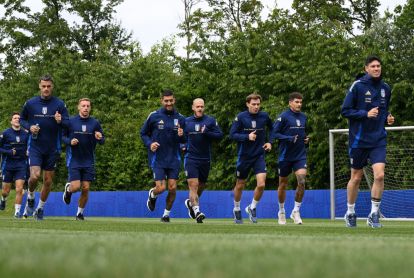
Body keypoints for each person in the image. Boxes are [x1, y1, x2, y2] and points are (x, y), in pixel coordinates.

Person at [341, 55, 394, 228]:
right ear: (366, 69)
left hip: (378, 139)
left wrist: (388, 118)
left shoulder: (386, 87)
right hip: (359, 140)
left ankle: (374, 214)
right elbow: (345, 111)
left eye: (379, 65)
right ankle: (350, 212)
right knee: (355, 178)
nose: (377, 68)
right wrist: (365, 114)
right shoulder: (358, 86)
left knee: (379, 175)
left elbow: (384, 111)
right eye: (373, 66)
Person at [20, 75, 69, 220]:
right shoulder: (30, 103)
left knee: (47, 181)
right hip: (35, 146)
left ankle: (40, 208)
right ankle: (30, 196)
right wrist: (30, 127)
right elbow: (22, 119)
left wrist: (60, 121)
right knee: (34, 176)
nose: (46, 89)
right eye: (44, 86)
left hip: (53, 148)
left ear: (52, 87)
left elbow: (68, 123)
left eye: (49, 86)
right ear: (39, 86)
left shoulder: (59, 104)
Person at [140, 90, 186, 222]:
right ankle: (153, 194)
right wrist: (150, 144)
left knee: (172, 188)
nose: (169, 103)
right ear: (162, 101)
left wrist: (182, 136)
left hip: (174, 159)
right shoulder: (154, 116)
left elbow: (184, 141)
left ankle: (166, 215)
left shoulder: (181, 118)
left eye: (171, 100)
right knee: (161, 188)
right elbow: (143, 134)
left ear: (174, 100)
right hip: (158, 158)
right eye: (166, 101)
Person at [229, 93, 273, 224]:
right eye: (253, 104)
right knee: (240, 185)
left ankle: (252, 207)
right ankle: (236, 209)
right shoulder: (241, 117)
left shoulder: (264, 116)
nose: (256, 107)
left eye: (258, 104)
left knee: (261, 184)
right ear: (247, 104)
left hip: (259, 155)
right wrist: (246, 137)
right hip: (244, 156)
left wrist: (270, 141)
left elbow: (273, 128)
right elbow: (232, 134)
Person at [62, 98, 105, 220]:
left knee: (86, 188)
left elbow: (102, 140)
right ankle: (68, 190)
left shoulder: (95, 123)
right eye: (83, 106)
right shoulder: (70, 121)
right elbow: (62, 137)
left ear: (90, 108)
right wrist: (70, 141)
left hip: (88, 160)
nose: (86, 108)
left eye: (88, 106)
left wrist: (99, 137)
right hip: (74, 159)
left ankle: (79, 213)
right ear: (79, 107)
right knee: (76, 187)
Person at [183, 98, 223, 223]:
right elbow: (179, 137)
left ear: (204, 107)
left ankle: (191, 203)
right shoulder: (186, 121)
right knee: (193, 186)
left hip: (205, 159)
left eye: (202, 106)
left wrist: (207, 132)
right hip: (191, 158)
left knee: (201, 186)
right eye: (197, 106)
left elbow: (219, 135)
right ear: (193, 107)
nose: (200, 108)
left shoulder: (210, 121)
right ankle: (197, 211)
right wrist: (182, 146)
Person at [272, 92, 309, 225]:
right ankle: (281, 211)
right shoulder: (283, 117)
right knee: (283, 184)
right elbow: (274, 133)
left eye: (300, 102)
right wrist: (288, 138)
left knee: (302, 181)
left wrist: (306, 140)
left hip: (300, 156)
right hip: (285, 156)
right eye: (296, 102)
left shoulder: (304, 117)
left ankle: (296, 211)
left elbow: (303, 134)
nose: (299, 104)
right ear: (290, 103)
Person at [0, 113, 29, 218]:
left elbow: (31, 145)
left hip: (21, 164)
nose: (17, 119)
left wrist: (28, 151)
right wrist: (8, 152)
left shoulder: (26, 134)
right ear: (11, 121)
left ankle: (17, 212)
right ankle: (3, 199)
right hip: (8, 164)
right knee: (5, 191)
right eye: (15, 118)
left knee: (19, 189)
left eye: (19, 118)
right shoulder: (5, 133)